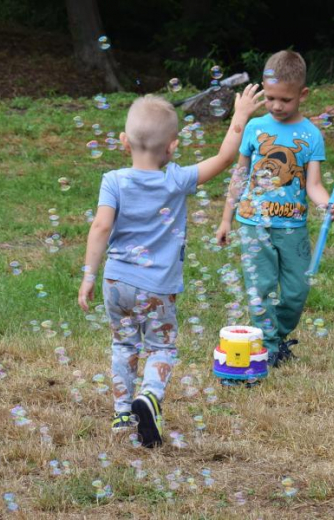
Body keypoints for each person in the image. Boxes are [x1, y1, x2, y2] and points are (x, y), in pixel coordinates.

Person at [78, 85, 265, 448]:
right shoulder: (176, 179)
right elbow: (225, 157)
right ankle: (149, 396)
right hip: (158, 287)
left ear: (124, 142)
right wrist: (240, 115)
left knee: (123, 343)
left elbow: (100, 227)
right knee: (161, 348)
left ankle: (122, 413)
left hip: (116, 282)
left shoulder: (112, 181)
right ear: (172, 147)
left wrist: (89, 276)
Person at [215, 50, 334, 368]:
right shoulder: (254, 127)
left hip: (292, 227)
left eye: (285, 100)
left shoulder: (311, 135)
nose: (276, 106)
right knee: (261, 288)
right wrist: (226, 219)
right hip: (253, 222)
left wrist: (326, 203)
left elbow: (314, 184)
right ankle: (269, 345)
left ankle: (276, 334)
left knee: (297, 290)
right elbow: (240, 175)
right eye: (270, 98)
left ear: (303, 94)